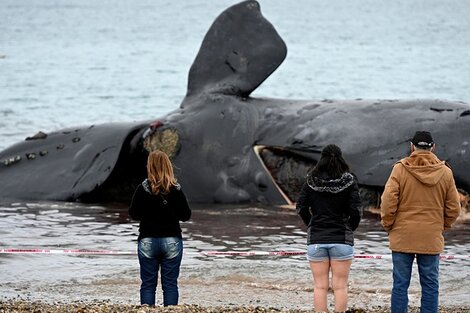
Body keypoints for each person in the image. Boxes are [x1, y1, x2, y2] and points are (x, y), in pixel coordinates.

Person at [380, 131, 461, 313]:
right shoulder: (445, 172)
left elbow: (387, 203)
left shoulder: (400, 169)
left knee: (400, 285)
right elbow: (454, 208)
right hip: (431, 237)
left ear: (412, 146)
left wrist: (389, 225)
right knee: (430, 286)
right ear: (433, 147)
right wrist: (441, 227)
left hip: (402, 235)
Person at [297, 144, 362, 313]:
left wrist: (311, 223)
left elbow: (301, 207)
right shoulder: (349, 181)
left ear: (322, 159)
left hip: (317, 239)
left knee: (320, 287)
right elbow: (356, 211)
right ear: (341, 158)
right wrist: (350, 228)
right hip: (341, 239)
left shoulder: (311, 180)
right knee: (340, 287)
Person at [128, 150, 192, 306]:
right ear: (168, 166)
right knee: (170, 284)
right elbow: (186, 215)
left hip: (148, 240)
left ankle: (147, 310)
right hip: (172, 240)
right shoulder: (175, 189)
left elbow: (133, 214)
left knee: (148, 285)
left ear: (149, 166)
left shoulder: (142, 189)